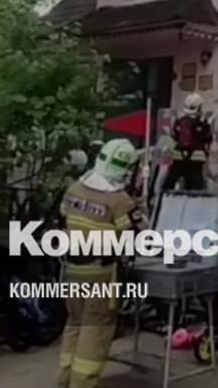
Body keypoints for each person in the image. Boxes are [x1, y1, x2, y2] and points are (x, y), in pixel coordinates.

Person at [57, 139, 145, 388]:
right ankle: (83, 383)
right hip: (101, 274)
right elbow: (138, 237)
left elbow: (64, 217)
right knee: (94, 332)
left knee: (75, 324)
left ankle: (65, 380)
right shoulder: (119, 200)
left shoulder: (74, 189)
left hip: (73, 270)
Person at [161, 93, 213, 192]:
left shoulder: (179, 121)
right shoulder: (202, 123)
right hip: (196, 159)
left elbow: (174, 136)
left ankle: (163, 199)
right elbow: (208, 138)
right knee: (194, 189)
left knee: (169, 184)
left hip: (178, 157)